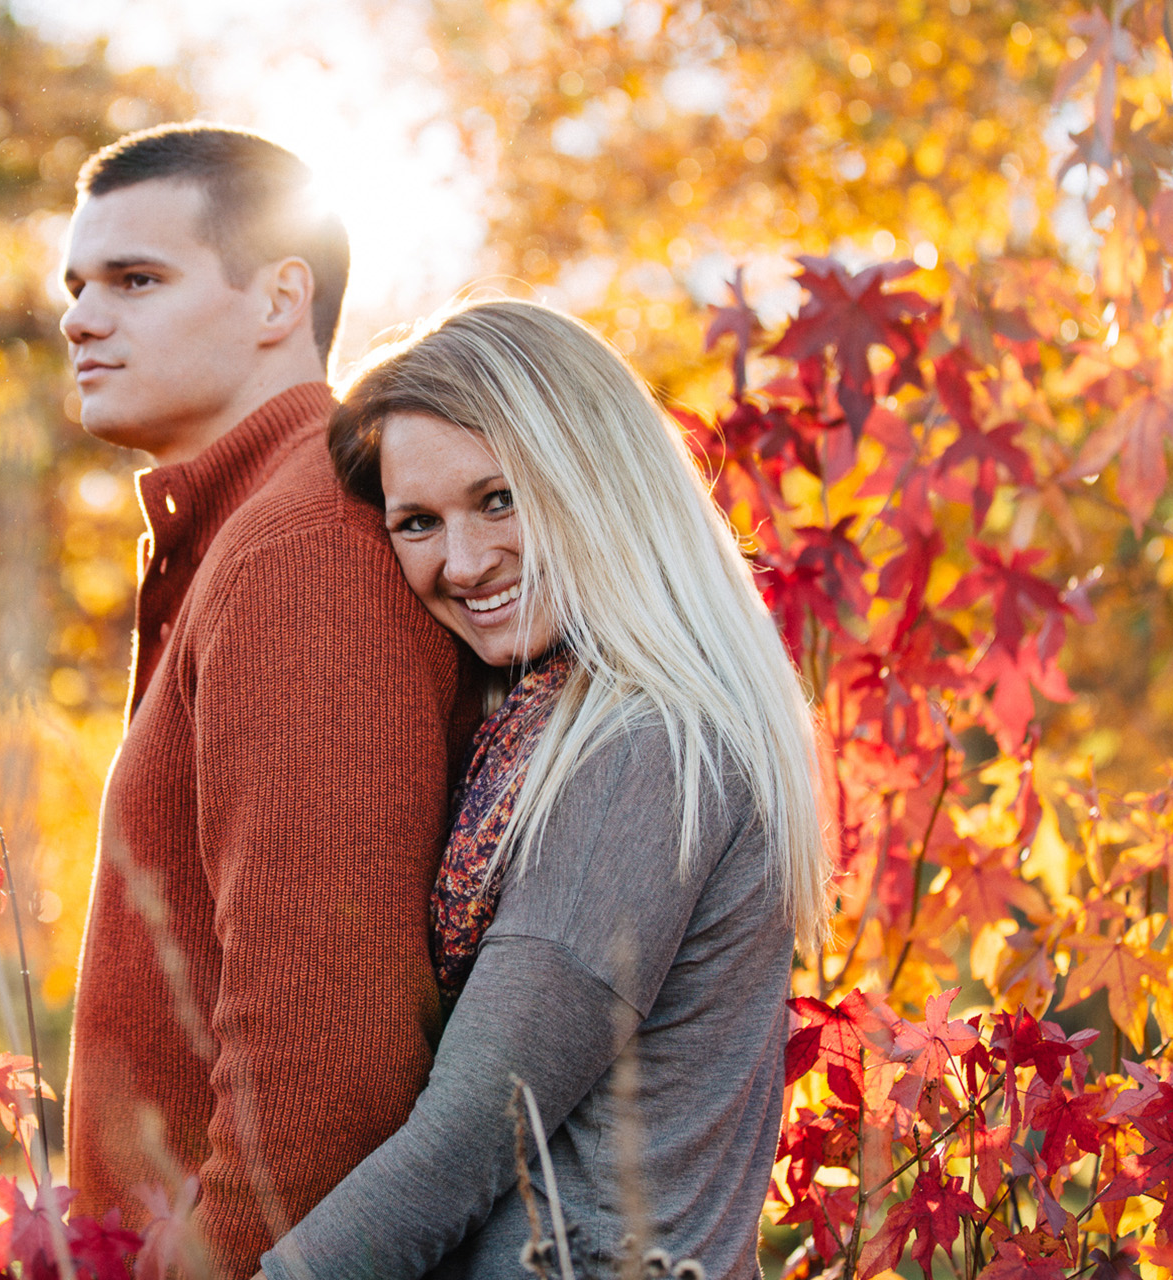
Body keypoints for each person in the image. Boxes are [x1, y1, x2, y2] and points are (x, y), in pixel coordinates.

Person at [257, 299, 829, 1280]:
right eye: (418, 522)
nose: (465, 561)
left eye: (500, 498)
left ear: (594, 477)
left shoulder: (645, 746)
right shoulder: (543, 728)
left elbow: (467, 1142)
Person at [58, 123, 478, 1277]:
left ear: (278, 296)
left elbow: (329, 1051)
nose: (82, 318)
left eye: (137, 279)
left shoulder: (301, 545)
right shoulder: (239, 533)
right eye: (78, 285)